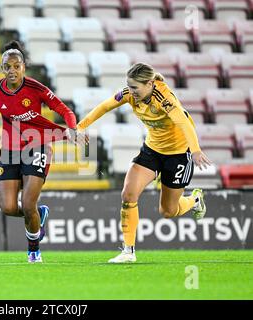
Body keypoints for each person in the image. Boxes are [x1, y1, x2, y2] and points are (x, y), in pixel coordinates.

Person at [76, 63, 212, 263]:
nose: (130, 92)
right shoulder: (129, 94)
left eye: (134, 88)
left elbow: (183, 122)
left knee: (167, 211)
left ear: (149, 84)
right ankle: (128, 252)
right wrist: (80, 126)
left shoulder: (165, 99)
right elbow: (104, 106)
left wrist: (196, 150)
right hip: (152, 150)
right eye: (128, 87)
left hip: (178, 154)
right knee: (128, 194)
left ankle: (195, 200)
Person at [0, 40, 77, 263]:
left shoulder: (36, 89)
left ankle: (34, 251)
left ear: (24, 66)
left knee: (28, 203)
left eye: (16, 66)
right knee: (8, 207)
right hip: (10, 151)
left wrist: (72, 129)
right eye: (7, 67)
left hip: (37, 146)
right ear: (2, 68)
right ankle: (39, 215)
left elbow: (65, 110)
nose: (12, 71)